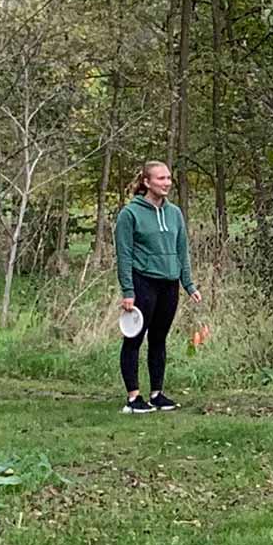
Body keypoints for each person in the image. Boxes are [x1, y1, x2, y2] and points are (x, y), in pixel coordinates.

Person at [115, 161, 201, 414]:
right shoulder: (130, 214)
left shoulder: (174, 213)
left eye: (169, 178)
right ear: (146, 182)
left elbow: (181, 251)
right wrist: (128, 291)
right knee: (134, 339)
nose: (167, 183)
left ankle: (156, 394)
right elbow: (124, 255)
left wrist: (188, 284)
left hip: (169, 283)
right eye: (161, 178)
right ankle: (133, 398)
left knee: (159, 339)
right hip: (143, 282)